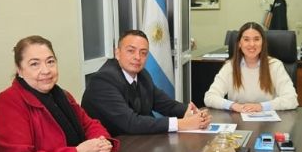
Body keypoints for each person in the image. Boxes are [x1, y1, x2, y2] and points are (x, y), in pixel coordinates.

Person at [81, 29, 211, 135]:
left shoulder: (142, 75)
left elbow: (166, 104)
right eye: (131, 51)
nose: (137, 57)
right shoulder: (103, 81)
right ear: (117, 53)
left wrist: (195, 114)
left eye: (143, 53)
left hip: (135, 145)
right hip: (108, 151)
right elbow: (131, 123)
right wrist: (181, 124)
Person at [203, 21, 298, 112]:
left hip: (269, 123)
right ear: (240, 43)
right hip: (238, 120)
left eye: (256, 39)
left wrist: (261, 106)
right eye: (246, 39)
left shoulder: (275, 66)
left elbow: (292, 99)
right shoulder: (230, 67)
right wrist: (233, 106)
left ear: (263, 43)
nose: (252, 44)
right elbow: (210, 97)